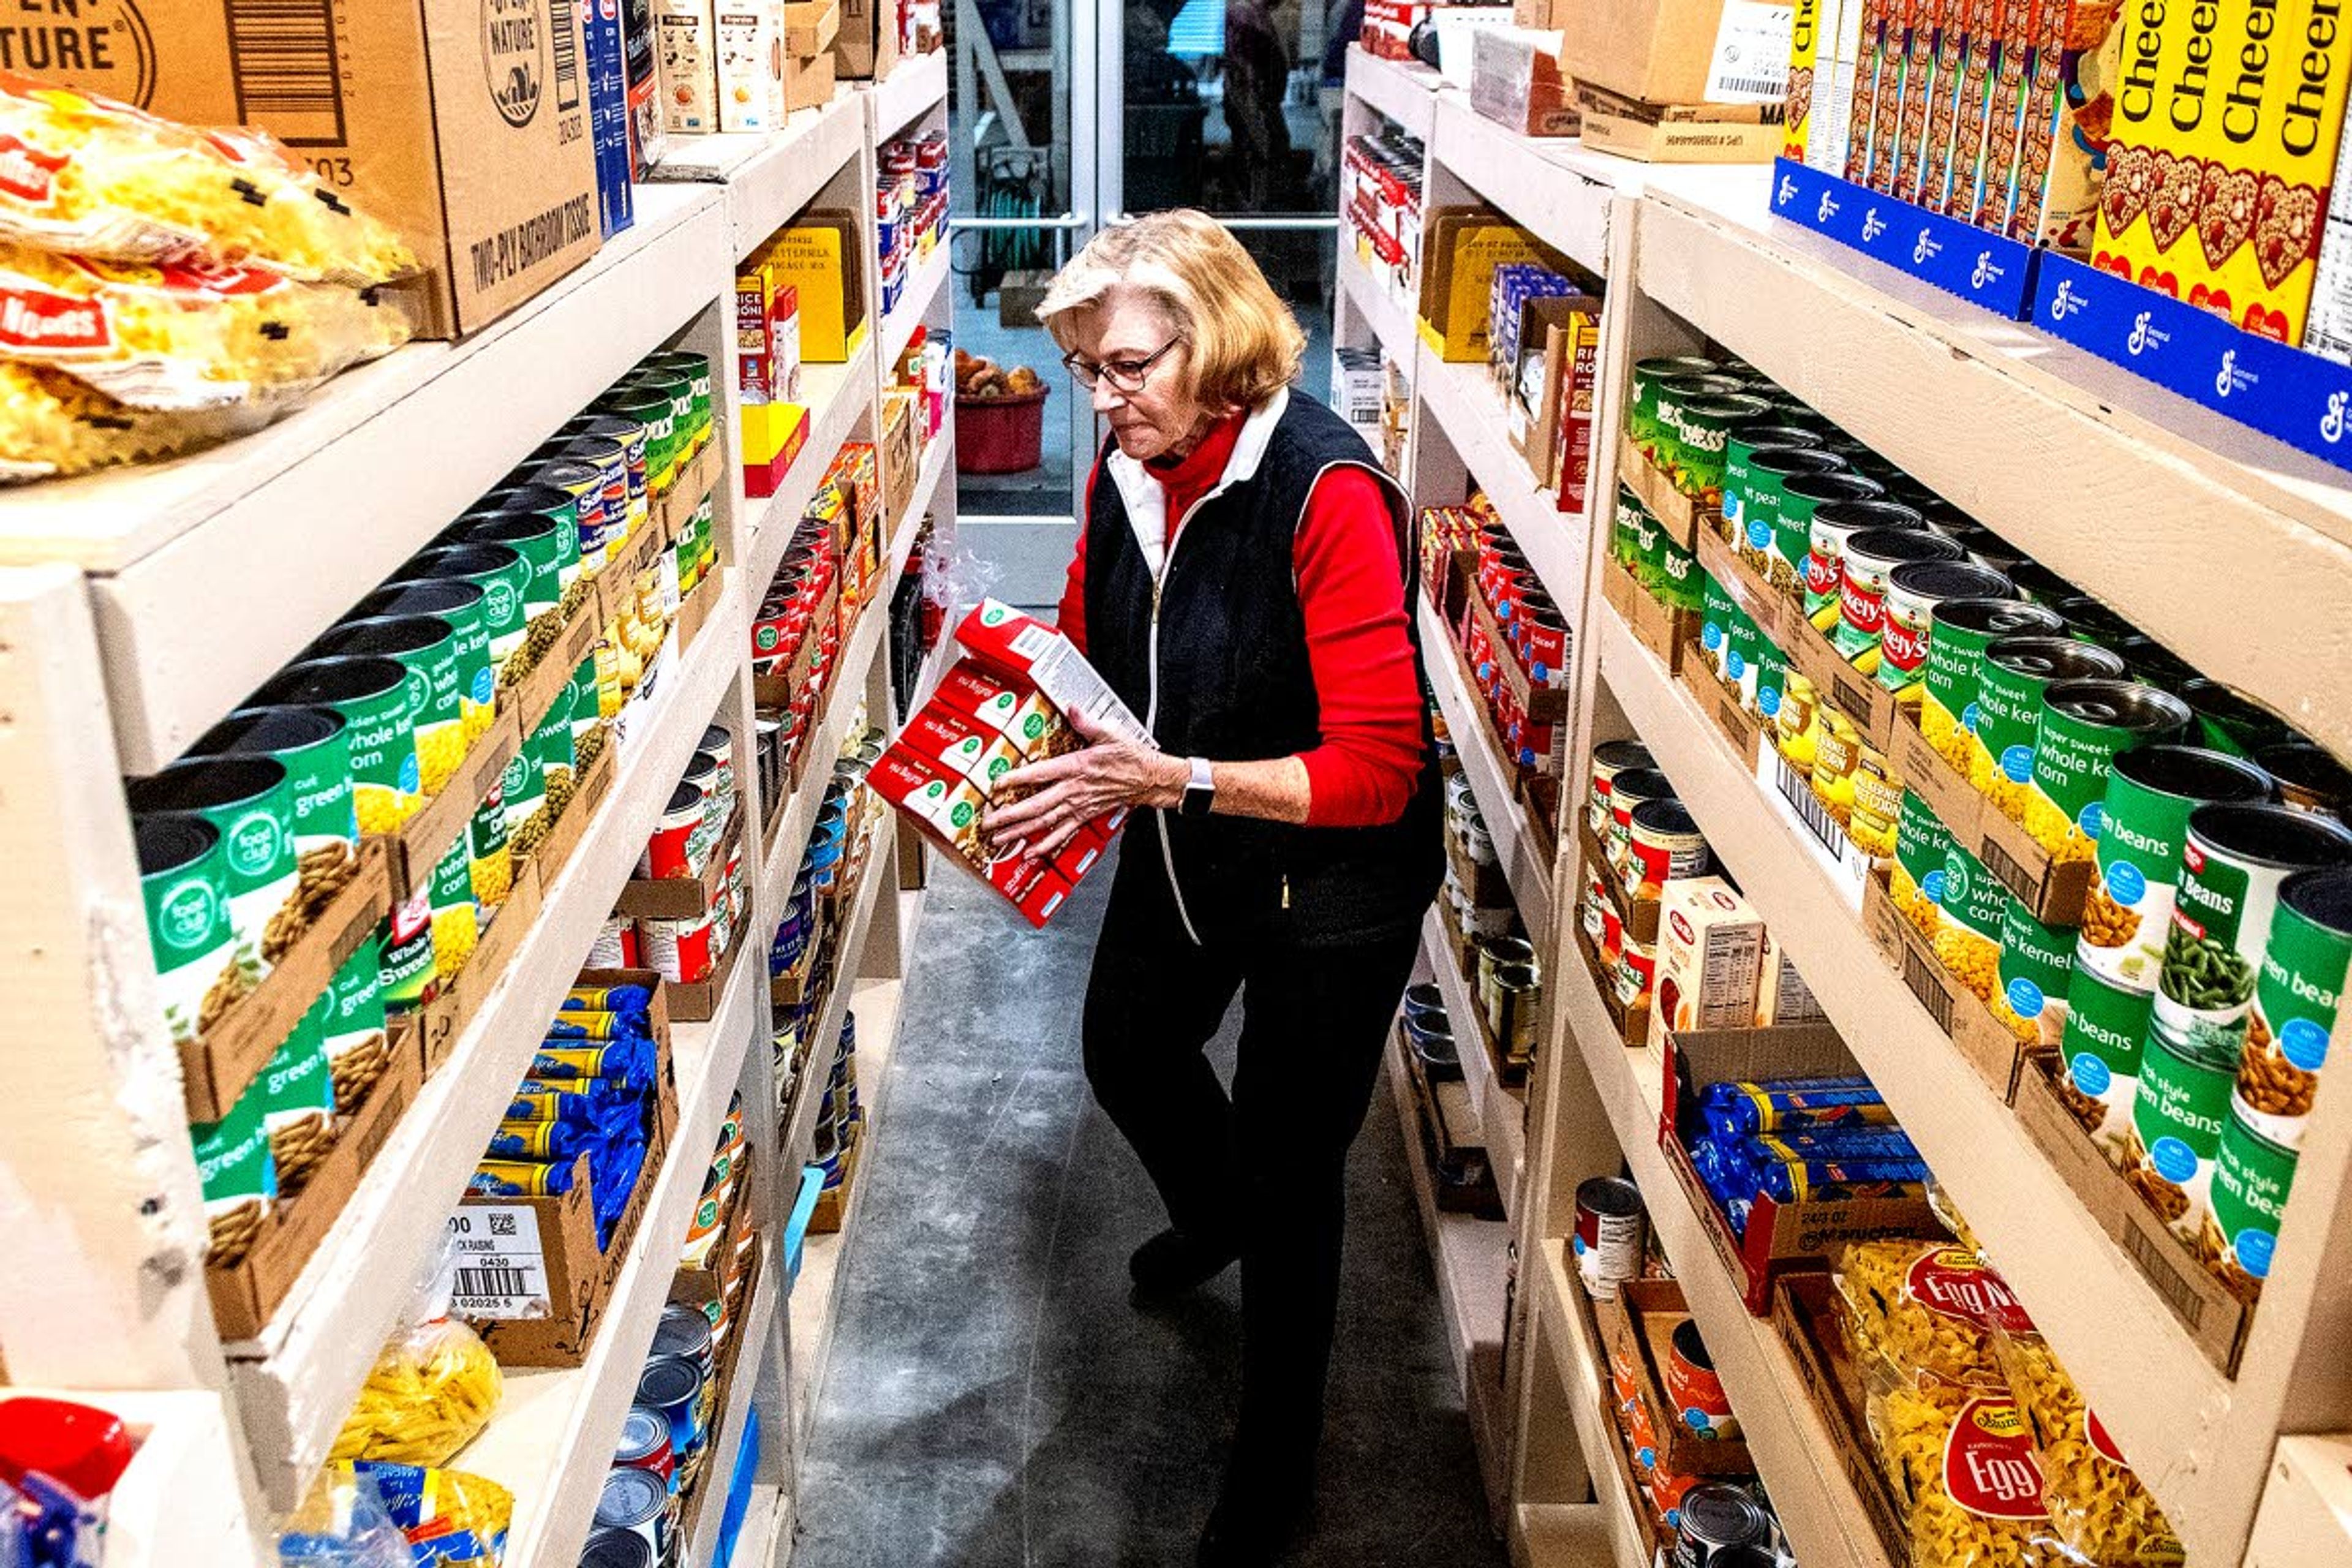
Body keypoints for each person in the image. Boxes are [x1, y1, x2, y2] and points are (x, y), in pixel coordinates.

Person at [986, 210, 1442, 1566]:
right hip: (1185, 835)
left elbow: (1381, 770)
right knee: (1127, 1044)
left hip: (1333, 883)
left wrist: (1169, 777)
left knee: (1297, 1162)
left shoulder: (1326, 492)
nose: (1101, 397)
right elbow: (1088, 631)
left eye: (1126, 365)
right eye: (1084, 368)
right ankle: (1222, 1211)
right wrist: (1011, 711)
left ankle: (1278, 1454)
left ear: (1222, 339)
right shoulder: (1127, 467)